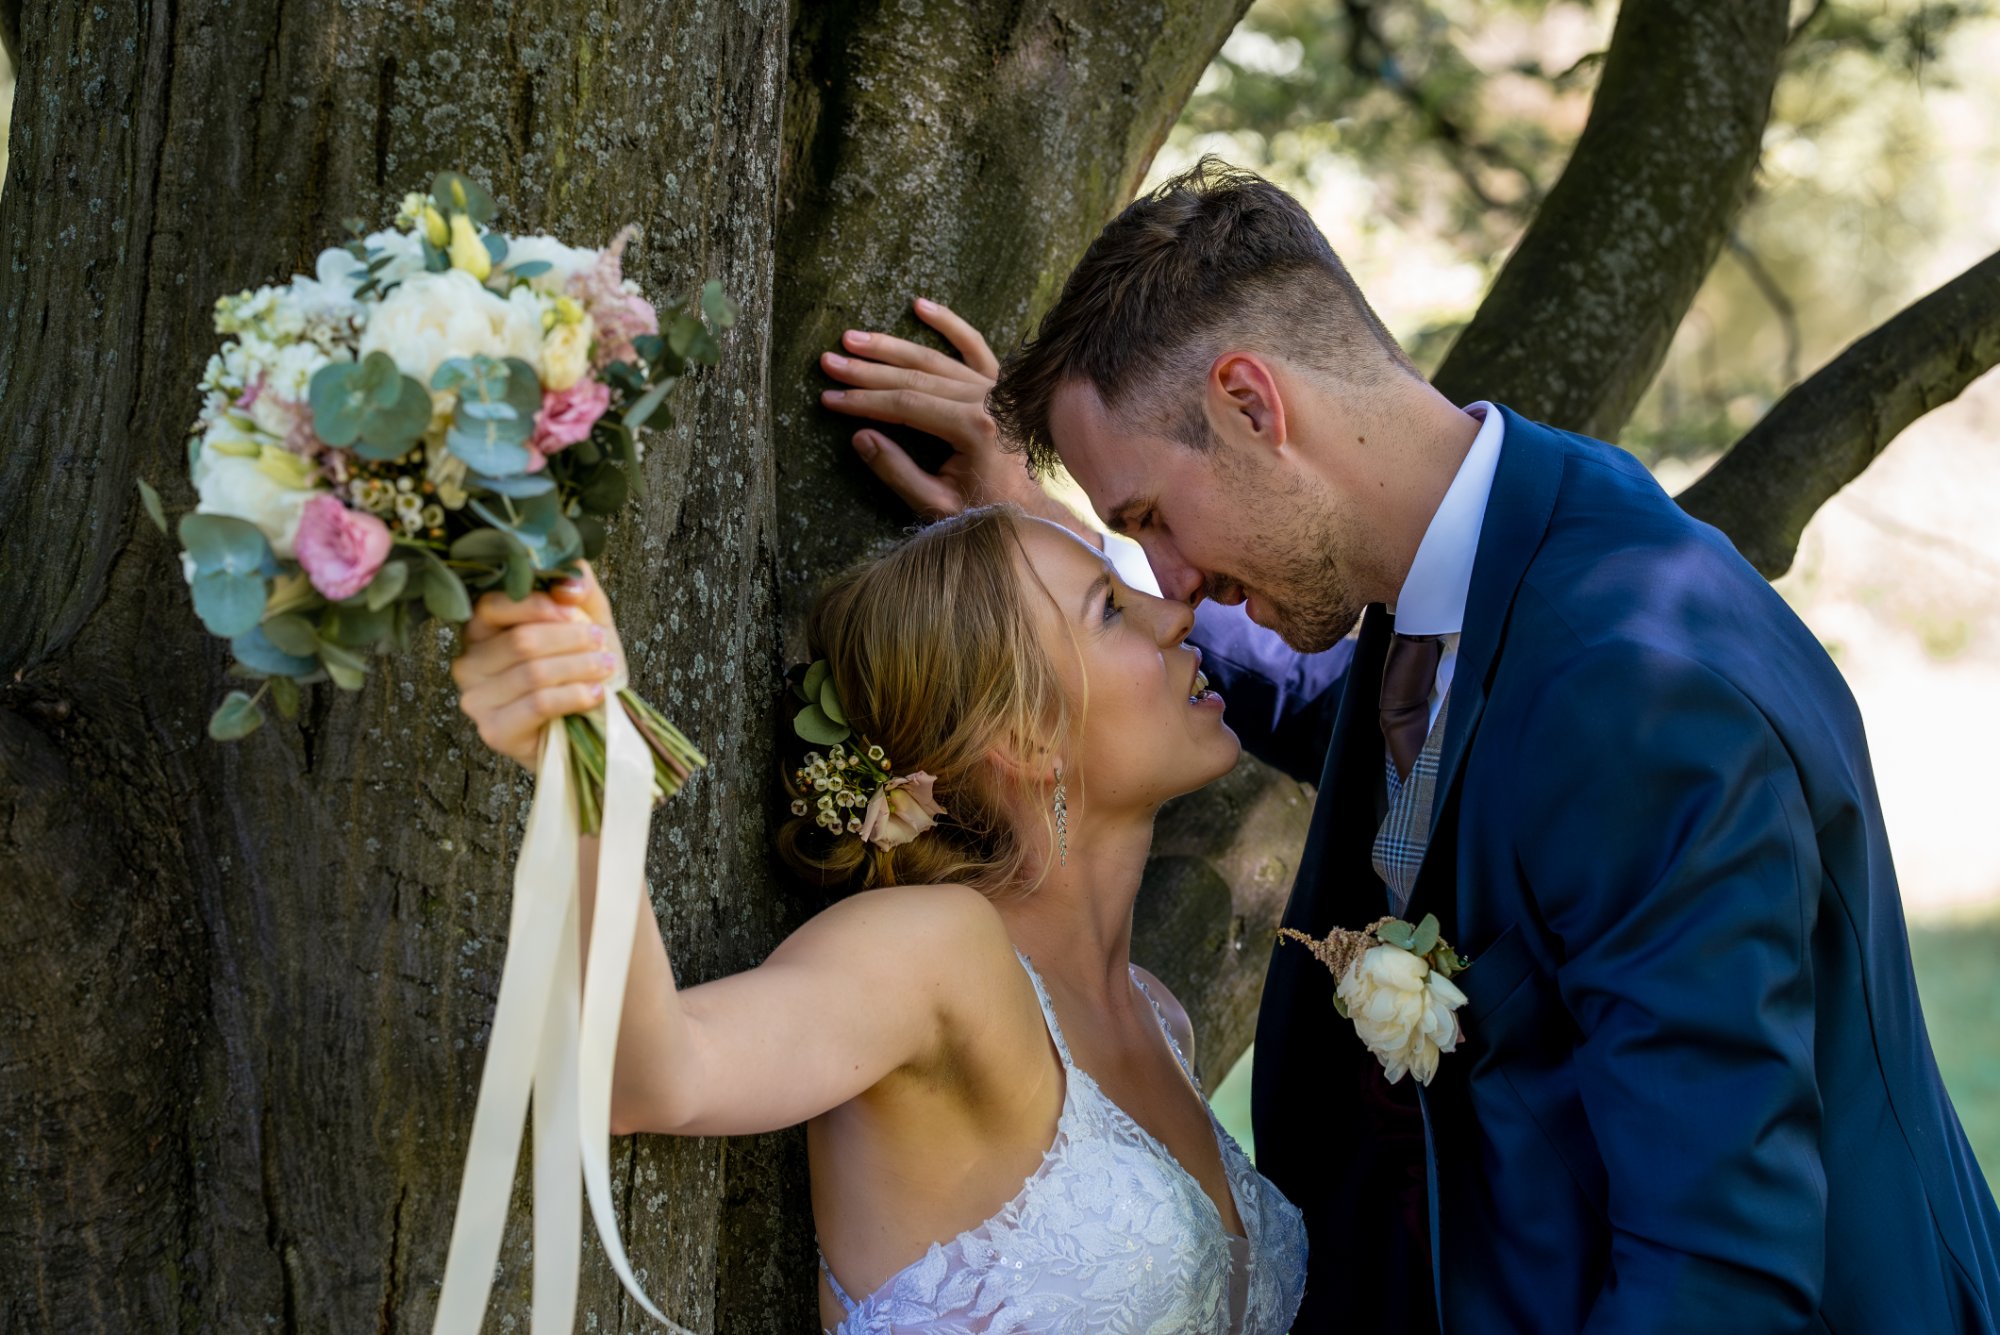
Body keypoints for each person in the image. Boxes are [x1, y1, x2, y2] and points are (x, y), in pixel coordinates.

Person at [818, 160, 2000, 1333]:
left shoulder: (1634, 695)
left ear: (1250, 406)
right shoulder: (1493, 560)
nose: (1166, 587)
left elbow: (1715, 1270)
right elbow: (1377, 718)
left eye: (1148, 519)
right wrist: (1040, 563)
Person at [450, 511, 1308, 1333]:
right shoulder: (939, 953)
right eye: (1110, 608)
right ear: (1023, 737)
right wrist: (592, 764)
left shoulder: (1162, 1017)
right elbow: (651, 1077)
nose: (1174, 612)